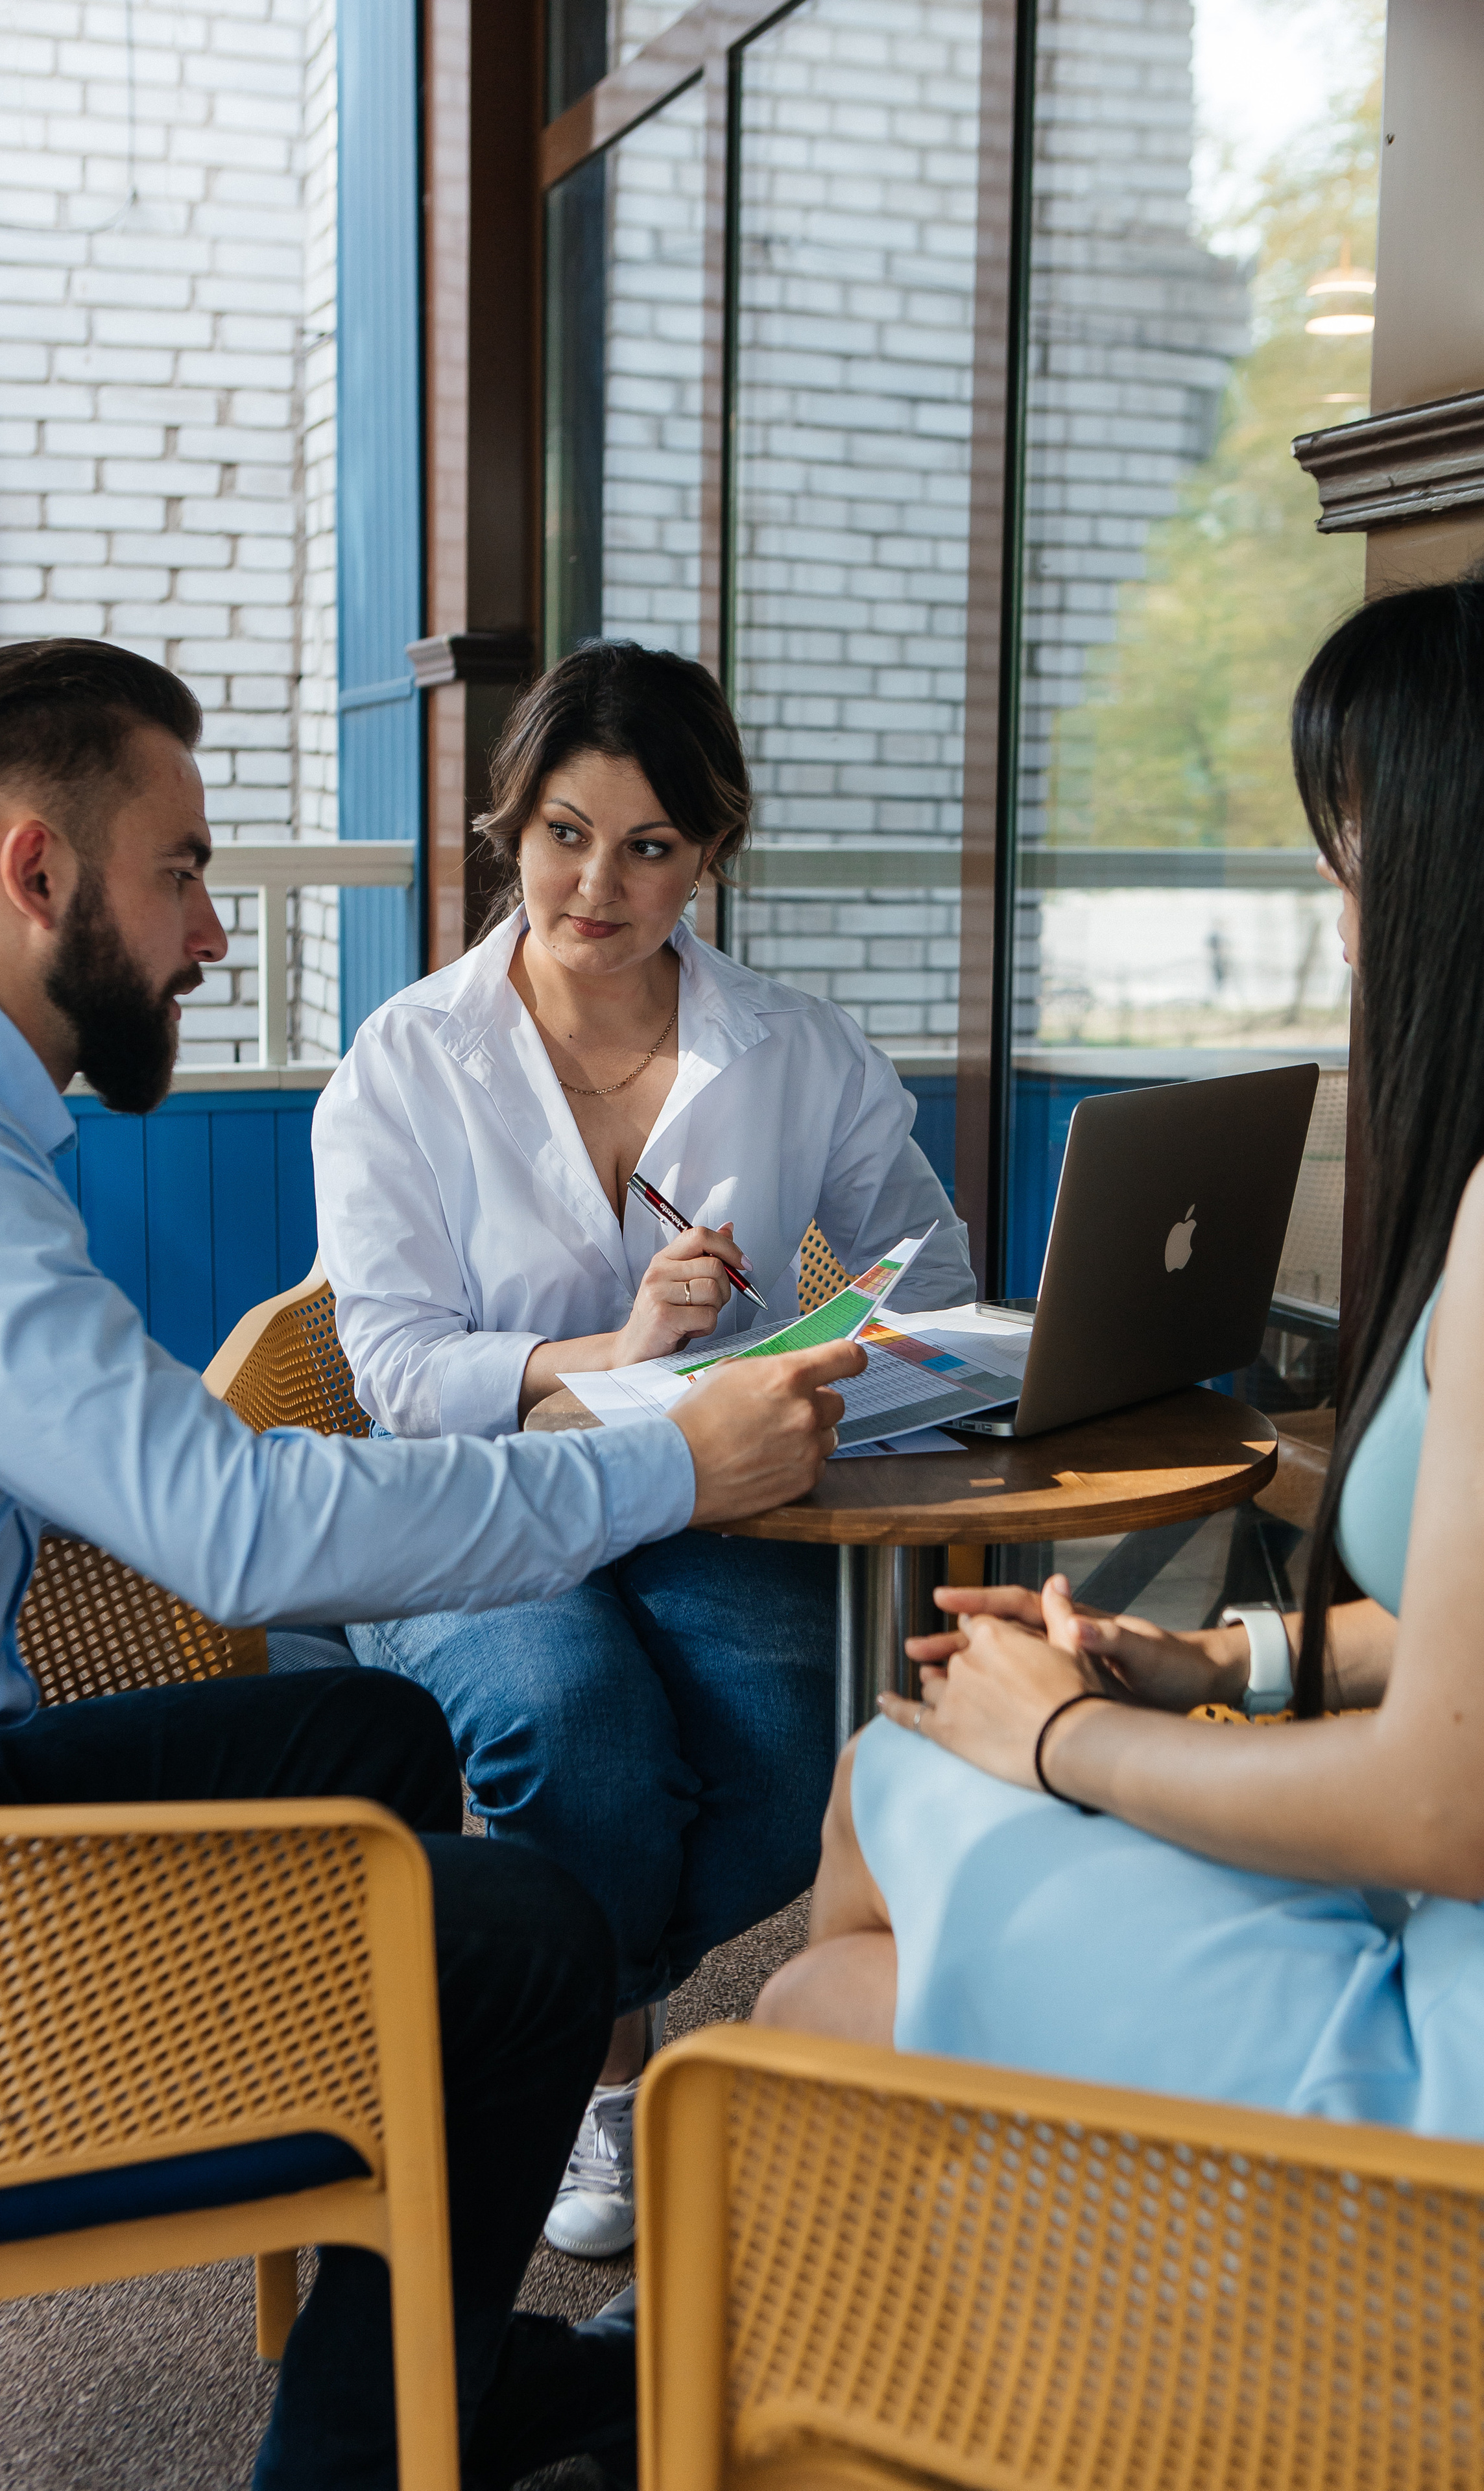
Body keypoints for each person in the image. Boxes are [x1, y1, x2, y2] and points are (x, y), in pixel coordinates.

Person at [0, 638, 862, 2490]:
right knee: (533, 1941)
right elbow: (230, 1524)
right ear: (38, 873)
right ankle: (365, 2453)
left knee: (380, 1745)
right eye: (188, 870)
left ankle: (418, 2377)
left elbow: (165, 1478)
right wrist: (658, 1456)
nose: (215, 933)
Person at [757, 574, 1484, 2142]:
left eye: (1346, 830)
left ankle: (997, 2331)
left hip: (1444, 2072)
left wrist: (1067, 1737)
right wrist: (1218, 1665)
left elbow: (1445, 1800)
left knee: (835, 1959)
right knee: (894, 1776)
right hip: (1433, 1940)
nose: (1326, 879)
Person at [313, 640, 975, 2257]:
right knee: (576, 1720)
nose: (592, 883)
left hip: (706, 1497)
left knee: (805, 1731)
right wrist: (603, 1354)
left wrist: (789, 1343)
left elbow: (928, 1281)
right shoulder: (408, 1057)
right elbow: (391, 1366)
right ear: (508, 826)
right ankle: (607, 2073)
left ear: (709, 851)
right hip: (474, 1507)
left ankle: (540, 2011)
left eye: (647, 845)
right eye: (559, 830)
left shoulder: (795, 1051)